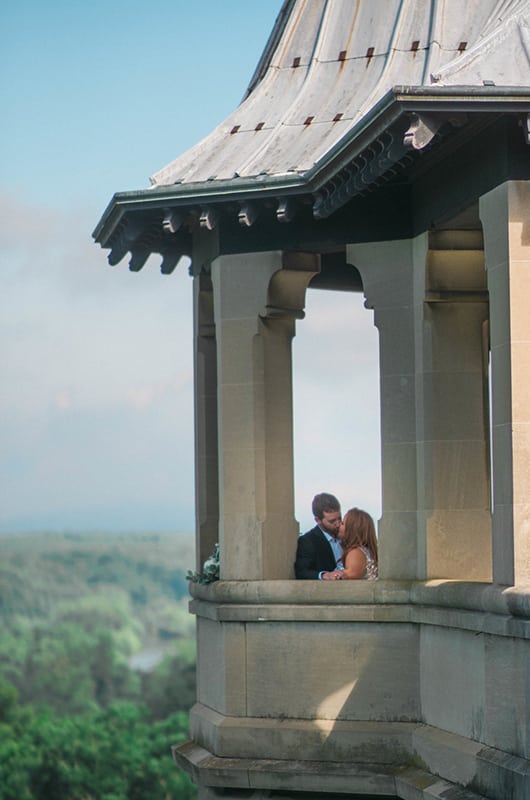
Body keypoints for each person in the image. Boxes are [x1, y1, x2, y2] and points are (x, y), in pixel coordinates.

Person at [294, 493, 344, 580]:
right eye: (332, 521)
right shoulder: (308, 541)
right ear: (318, 520)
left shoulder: (346, 535)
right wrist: (324, 575)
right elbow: (302, 571)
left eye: (339, 518)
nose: (338, 524)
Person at [337, 507, 378, 580]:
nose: (339, 526)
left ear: (351, 529)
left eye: (343, 523)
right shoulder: (367, 551)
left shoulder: (356, 553)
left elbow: (347, 577)